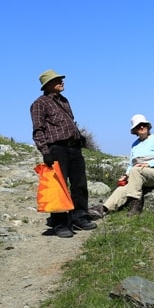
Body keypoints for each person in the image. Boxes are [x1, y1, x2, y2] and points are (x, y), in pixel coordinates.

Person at [30, 69, 97, 238]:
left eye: (61, 79)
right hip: (57, 149)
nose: (62, 82)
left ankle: (80, 217)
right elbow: (38, 130)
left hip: (74, 148)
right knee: (58, 187)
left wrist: (79, 138)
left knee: (80, 185)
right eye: (58, 80)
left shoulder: (64, 101)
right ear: (48, 85)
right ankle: (59, 224)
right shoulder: (39, 103)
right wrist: (46, 152)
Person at [90, 114, 154, 218]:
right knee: (122, 188)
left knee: (136, 170)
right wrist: (126, 175)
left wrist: (148, 164)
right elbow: (131, 164)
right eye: (138, 126)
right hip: (140, 174)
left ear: (147, 126)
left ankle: (136, 205)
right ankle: (104, 209)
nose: (141, 127)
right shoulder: (135, 145)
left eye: (143, 125)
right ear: (135, 130)